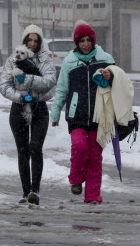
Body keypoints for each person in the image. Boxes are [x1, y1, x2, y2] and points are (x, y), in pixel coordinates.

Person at [49, 21, 115, 204]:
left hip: (99, 116)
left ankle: (93, 196)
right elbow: (61, 89)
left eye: (88, 40)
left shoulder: (105, 60)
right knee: (80, 148)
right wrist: (55, 114)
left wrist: (112, 77)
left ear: (93, 41)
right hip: (76, 116)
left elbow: (119, 83)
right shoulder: (69, 63)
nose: (86, 44)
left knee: (95, 157)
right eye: (82, 40)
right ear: (76, 43)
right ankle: (76, 179)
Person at [0, 25, 57, 205]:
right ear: (24, 41)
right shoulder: (13, 59)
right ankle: (25, 192)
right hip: (18, 109)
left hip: (39, 109)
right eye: (29, 40)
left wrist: (31, 83)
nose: (32, 44)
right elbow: (4, 85)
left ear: (40, 42)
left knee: (35, 147)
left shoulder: (45, 60)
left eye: (35, 40)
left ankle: (35, 191)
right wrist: (20, 97)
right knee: (22, 151)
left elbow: (50, 84)